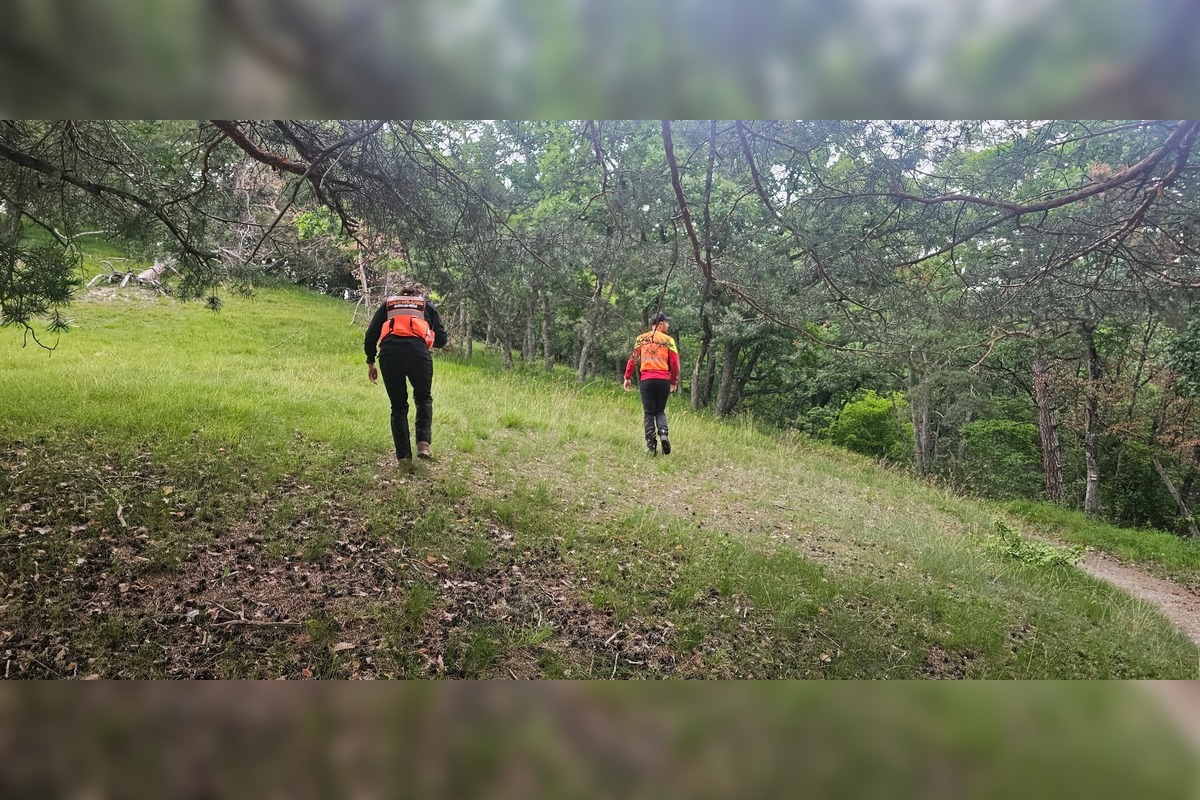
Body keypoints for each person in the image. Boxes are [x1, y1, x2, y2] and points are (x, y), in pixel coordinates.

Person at [364, 281, 448, 461]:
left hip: (389, 354)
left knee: (398, 407)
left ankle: (403, 457)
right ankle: (423, 444)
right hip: (418, 354)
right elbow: (441, 340)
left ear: (401, 295)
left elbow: (371, 335)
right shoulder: (426, 306)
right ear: (419, 295)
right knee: (423, 398)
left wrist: (371, 361)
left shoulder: (388, 305)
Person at [623, 311, 680, 455]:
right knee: (660, 411)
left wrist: (627, 377)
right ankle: (663, 434)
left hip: (647, 380)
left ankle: (651, 445)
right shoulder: (669, 340)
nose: (668, 324)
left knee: (649, 413)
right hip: (663, 380)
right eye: (667, 322)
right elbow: (674, 362)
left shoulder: (641, 339)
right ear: (660, 324)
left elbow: (633, 358)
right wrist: (673, 381)